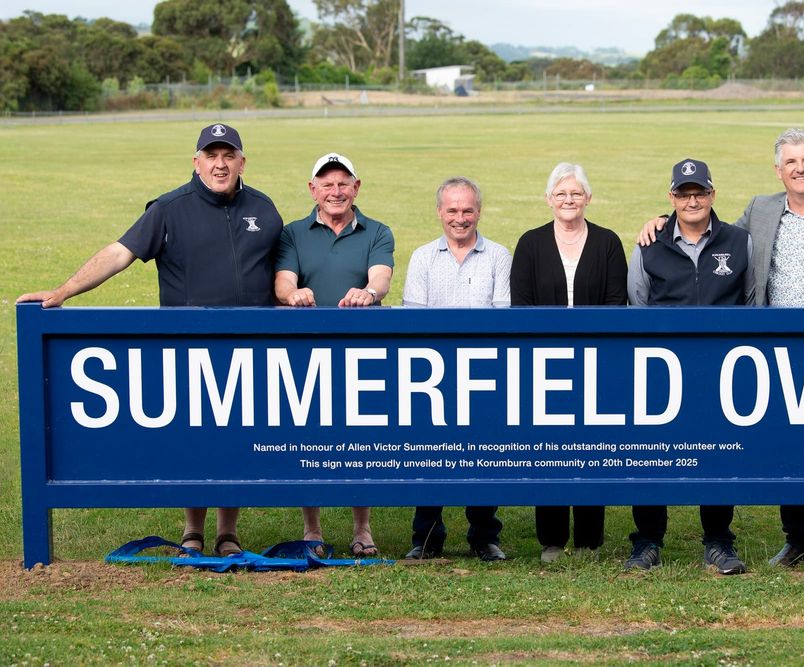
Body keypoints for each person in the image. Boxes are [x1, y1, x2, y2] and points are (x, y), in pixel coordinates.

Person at [17, 123, 283, 557]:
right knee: (195, 440)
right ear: (196, 162)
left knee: (235, 438)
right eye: (211, 156)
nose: (220, 165)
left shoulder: (264, 208)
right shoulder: (168, 209)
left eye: (228, 156)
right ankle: (192, 530)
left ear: (242, 162)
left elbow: (281, 271)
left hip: (249, 349)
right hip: (190, 350)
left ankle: (228, 532)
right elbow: (119, 253)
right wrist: (64, 291)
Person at [637, 129, 804, 571]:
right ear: (778, 170)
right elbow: (708, 232)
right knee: (789, 446)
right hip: (777, 350)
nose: (799, 169)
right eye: (790, 162)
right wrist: (660, 221)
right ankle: (797, 539)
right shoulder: (761, 209)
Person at [626, 158, 754, 574]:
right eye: (684, 194)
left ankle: (718, 541)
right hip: (662, 368)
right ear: (671, 197)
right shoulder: (649, 243)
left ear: (713, 195)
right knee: (651, 452)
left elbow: (752, 301)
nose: (692, 200)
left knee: (719, 451)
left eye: (700, 192)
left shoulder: (739, 241)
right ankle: (647, 541)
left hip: (721, 367)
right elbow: (638, 305)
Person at [274, 151, 394, 557]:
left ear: (356, 188)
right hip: (307, 350)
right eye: (327, 184)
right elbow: (283, 280)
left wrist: (369, 292)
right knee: (309, 437)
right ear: (313, 189)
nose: (336, 191)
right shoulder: (293, 233)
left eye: (344, 183)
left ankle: (363, 529)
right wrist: (292, 294)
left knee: (361, 438)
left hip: (361, 352)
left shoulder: (378, 231)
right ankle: (312, 529)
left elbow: (381, 277)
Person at [510, 162, 628, 563]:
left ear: (588, 197)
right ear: (548, 199)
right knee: (550, 450)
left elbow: (616, 304)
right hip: (545, 364)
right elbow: (521, 307)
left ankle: (589, 540)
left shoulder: (608, 242)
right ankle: (552, 540)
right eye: (561, 193)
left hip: (596, 363)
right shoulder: (531, 243)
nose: (568, 200)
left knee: (592, 450)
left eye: (576, 193)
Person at [401, 176, 512, 562]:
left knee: (484, 454)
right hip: (432, 373)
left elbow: (501, 319)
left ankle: (484, 536)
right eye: (452, 210)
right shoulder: (423, 257)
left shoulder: (498, 255)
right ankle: (427, 537)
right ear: (439, 212)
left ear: (479, 212)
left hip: (484, 368)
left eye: (467, 210)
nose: (460, 218)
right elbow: (415, 322)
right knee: (430, 453)